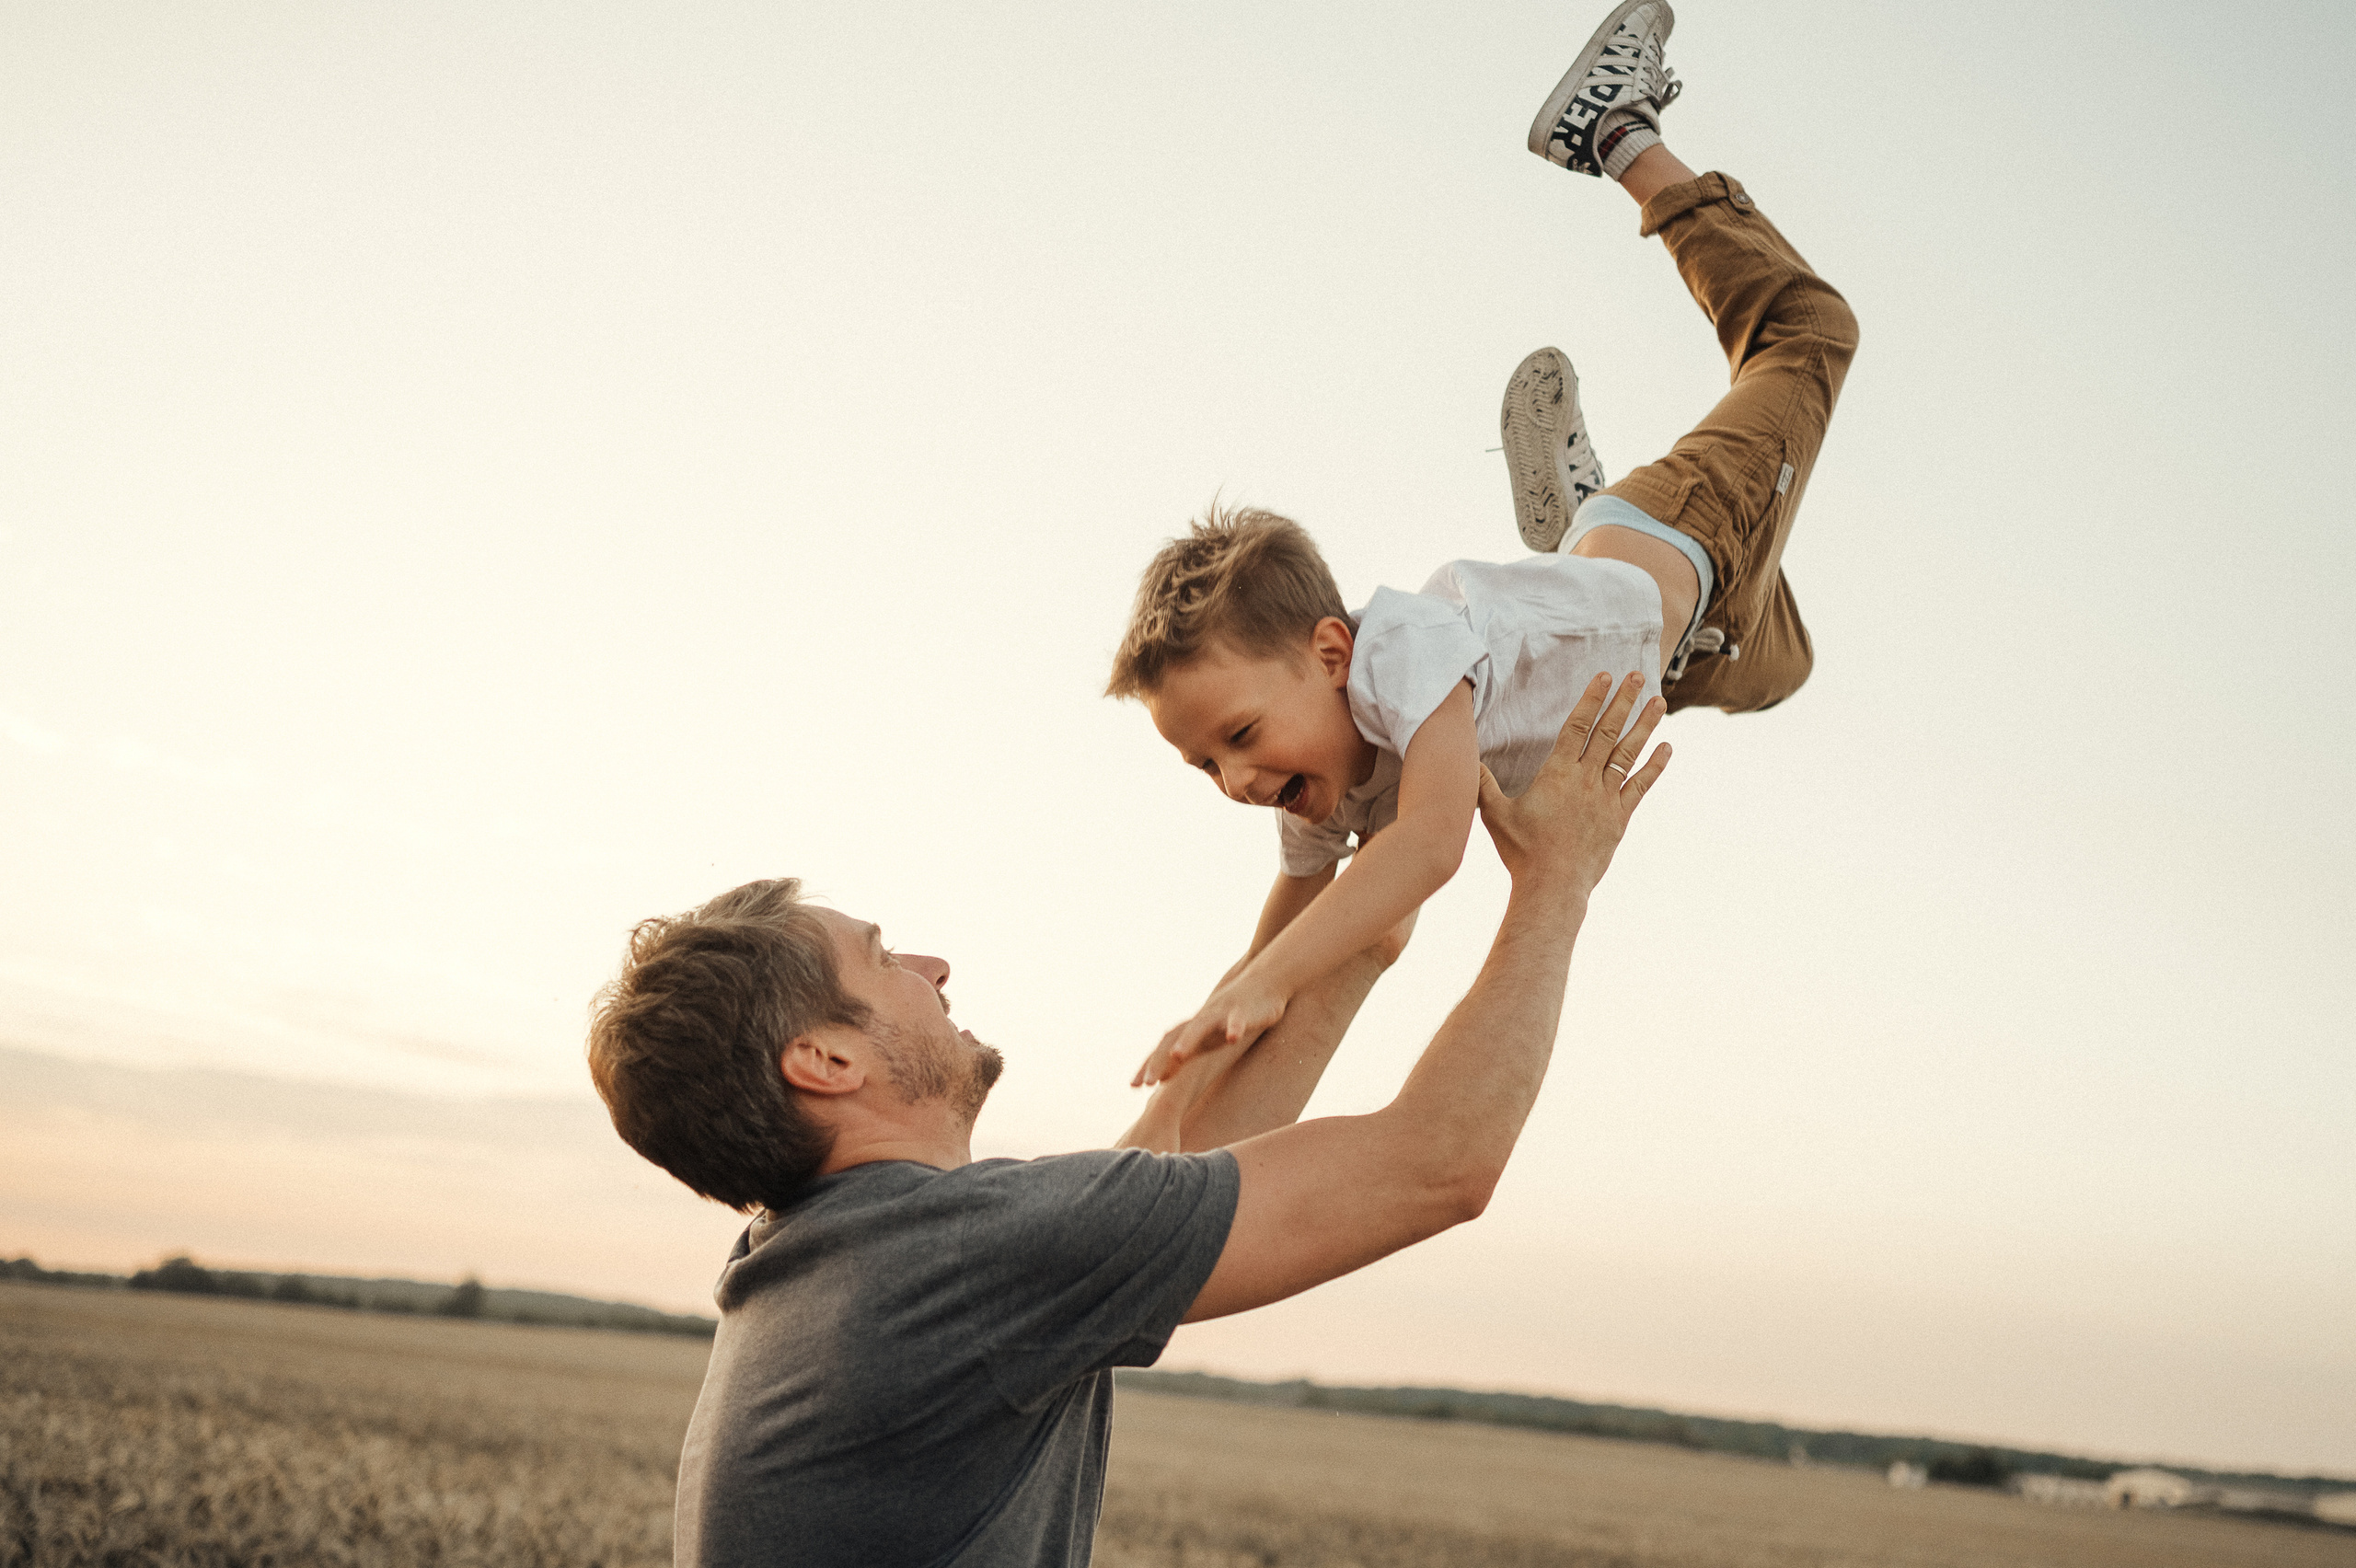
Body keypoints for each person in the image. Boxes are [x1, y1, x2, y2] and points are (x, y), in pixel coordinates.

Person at [586, 674, 1669, 1568]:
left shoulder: (837, 1265)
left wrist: (1357, 919)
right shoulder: (948, 1259)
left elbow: (1166, 1163)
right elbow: (1437, 1165)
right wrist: (1555, 879)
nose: (933, 966)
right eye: (883, 958)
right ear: (825, 1060)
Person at [1110, 0, 1857, 1139]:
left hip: (1684, 535)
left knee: (1810, 331)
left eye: (1241, 738)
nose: (1236, 782)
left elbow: (1428, 847)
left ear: (1329, 650)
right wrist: (1225, 1005)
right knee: (1784, 667)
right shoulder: (1323, 777)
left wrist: (1263, 988)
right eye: (1205, 764)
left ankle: (1617, 133)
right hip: (1687, 649)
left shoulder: (1401, 656)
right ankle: (1571, 542)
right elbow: (1295, 915)